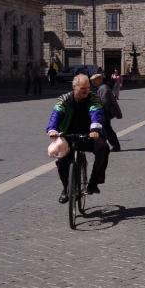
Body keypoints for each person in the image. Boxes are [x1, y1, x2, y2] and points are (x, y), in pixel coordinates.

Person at [46, 74, 109, 203]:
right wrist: (52, 129)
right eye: (82, 88)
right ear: (74, 87)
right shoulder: (64, 99)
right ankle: (66, 189)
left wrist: (95, 129)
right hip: (68, 134)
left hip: (89, 134)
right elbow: (56, 114)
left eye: (88, 87)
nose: (86, 91)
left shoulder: (94, 98)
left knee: (103, 148)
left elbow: (96, 113)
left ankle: (93, 182)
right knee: (62, 161)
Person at [90, 73, 122, 152]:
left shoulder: (104, 88)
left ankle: (115, 146)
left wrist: (99, 110)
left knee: (107, 130)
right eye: (92, 81)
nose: (92, 83)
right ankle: (110, 145)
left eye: (94, 81)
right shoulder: (101, 88)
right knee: (105, 129)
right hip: (103, 113)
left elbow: (105, 102)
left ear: (99, 80)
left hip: (104, 113)